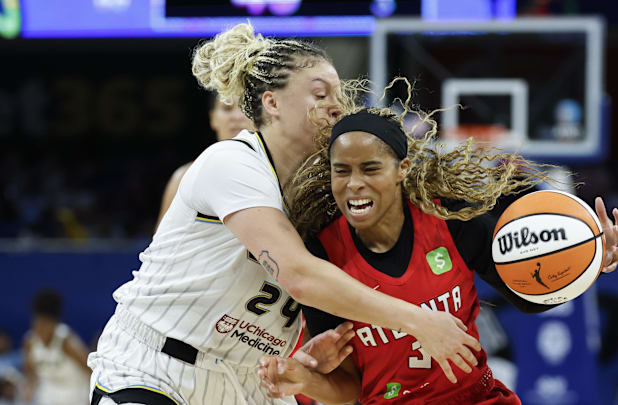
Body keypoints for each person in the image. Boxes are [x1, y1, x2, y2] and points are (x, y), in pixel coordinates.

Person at [88, 23, 480, 405]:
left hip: (252, 384)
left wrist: (304, 359)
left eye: (339, 95)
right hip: (159, 369)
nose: (335, 106)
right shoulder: (232, 161)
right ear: (272, 103)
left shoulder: (327, 195)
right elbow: (298, 275)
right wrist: (419, 321)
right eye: (319, 93)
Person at [256, 96, 618, 404]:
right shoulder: (321, 254)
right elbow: (349, 386)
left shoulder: (448, 218)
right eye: (342, 171)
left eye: (370, 169)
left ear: (402, 169)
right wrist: (304, 381)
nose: (354, 184)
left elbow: (529, 296)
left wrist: (587, 262)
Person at [156, 92, 254, 227]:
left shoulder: (278, 176)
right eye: (227, 108)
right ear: (213, 118)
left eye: (245, 108)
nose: (237, 117)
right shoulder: (183, 177)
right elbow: (163, 245)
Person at [23, 289, 91, 405]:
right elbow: (29, 371)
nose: (42, 329)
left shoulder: (65, 340)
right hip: (48, 390)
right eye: (39, 323)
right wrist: (29, 388)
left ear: (54, 323)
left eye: (46, 324)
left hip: (74, 391)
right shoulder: (30, 342)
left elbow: (90, 367)